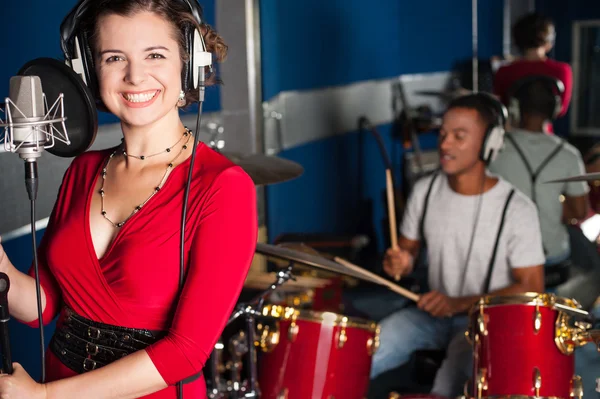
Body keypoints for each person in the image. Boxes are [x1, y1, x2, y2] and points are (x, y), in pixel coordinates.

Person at [0, 0, 258, 398]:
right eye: (114, 57)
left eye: (155, 55)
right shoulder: (83, 171)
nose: (135, 76)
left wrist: (45, 396)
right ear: (89, 70)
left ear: (188, 65)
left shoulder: (222, 186)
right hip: (57, 376)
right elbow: (44, 304)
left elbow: (186, 353)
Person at [370, 93, 545, 396]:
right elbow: (408, 249)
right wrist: (402, 261)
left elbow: (532, 287)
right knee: (366, 350)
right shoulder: (425, 191)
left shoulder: (517, 208)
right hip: (430, 315)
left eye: (459, 136)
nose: (445, 144)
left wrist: (458, 303)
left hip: (485, 324)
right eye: (442, 134)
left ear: (490, 143)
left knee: (451, 383)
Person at [488, 77, 600, 308]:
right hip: (552, 257)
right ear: (556, 110)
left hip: (504, 256)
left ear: (515, 108)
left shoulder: (495, 149)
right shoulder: (568, 154)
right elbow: (579, 212)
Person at [493, 13, 572, 133]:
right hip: (545, 136)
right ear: (549, 40)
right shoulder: (562, 70)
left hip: (512, 134)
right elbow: (561, 110)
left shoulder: (504, 71)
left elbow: (500, 106)